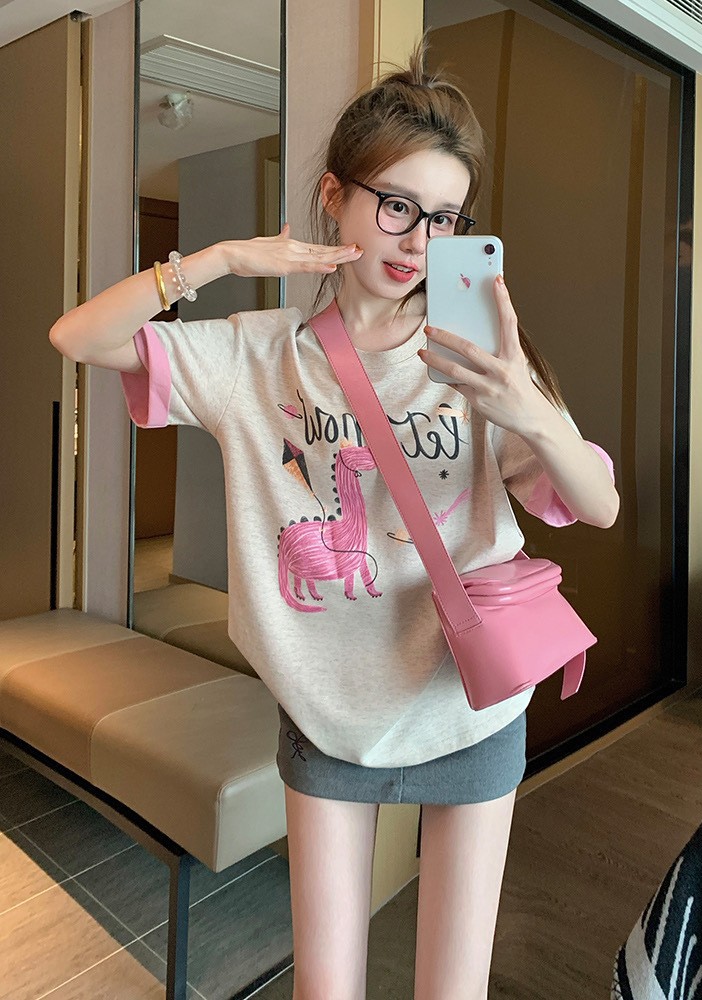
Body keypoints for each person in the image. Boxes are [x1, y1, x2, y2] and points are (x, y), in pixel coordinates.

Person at [49, 34, 619, 1000]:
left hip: (468, 708)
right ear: (335, 195)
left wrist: (524, 402)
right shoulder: (255, 354)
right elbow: (77, 336)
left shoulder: (477, 355)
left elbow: (596, 507)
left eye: (444, 217)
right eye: (396, 204)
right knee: (326, 987)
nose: (417, 241)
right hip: (326, 718)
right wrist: (222, 258)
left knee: (452, 990)